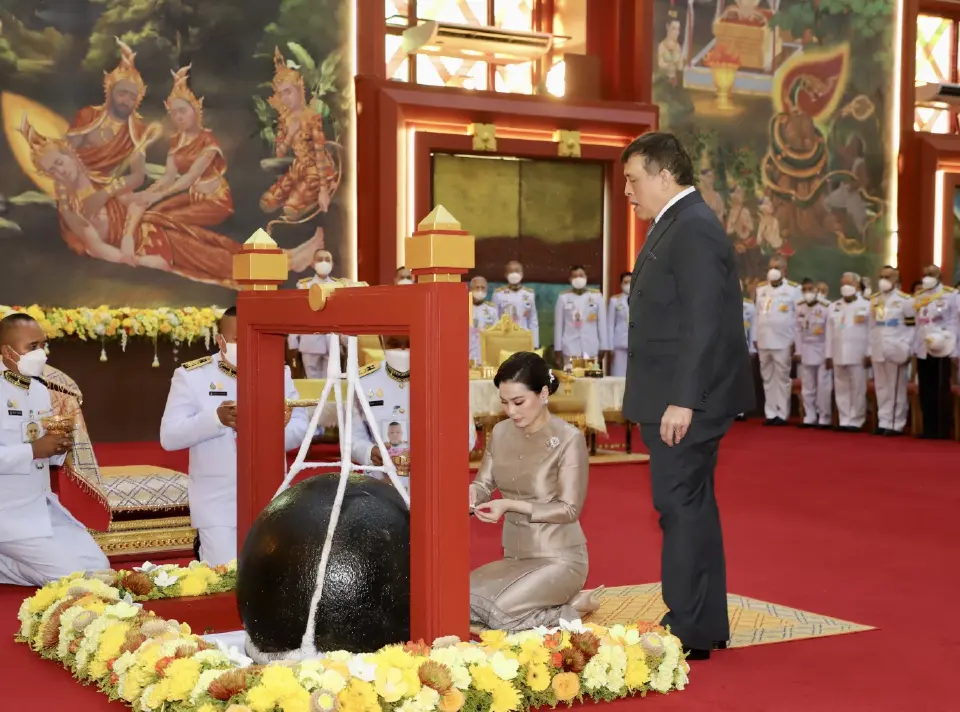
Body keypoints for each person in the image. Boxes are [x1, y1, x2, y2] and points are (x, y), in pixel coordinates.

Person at [620, 132, 753, 660]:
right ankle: (705, 622)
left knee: (678, 507)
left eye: (633, 179)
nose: (628, 191)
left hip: (684, 401)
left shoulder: (692, 227)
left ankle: (687, 626)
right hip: (676, 395)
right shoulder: (675, 223)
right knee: (691, 507)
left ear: (663, 175)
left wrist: (684, 399)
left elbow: (702, 322)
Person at [160, 307, 309, 564]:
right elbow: (169, 436)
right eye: (238, 340)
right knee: (225, 578)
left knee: (270, 575)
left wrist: (264, 433)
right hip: (217, 502)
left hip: (269, 496)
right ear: (220, 341)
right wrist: (215, 420)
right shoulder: (192, 376)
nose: (247, 345)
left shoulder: (277, 372)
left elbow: (300, 428)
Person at [468, 352, 600, 631]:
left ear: (542, 393)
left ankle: (571, 606)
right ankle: (556, 605)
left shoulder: (568, 439)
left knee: (500, 615)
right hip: (515, 557)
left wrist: (511, 505)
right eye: (504, 403)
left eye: (518, 402)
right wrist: (472, 494)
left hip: (560, 559)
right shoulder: (501, 433)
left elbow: (569, 509)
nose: (511, 411)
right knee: (461, 600)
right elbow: (483, 484)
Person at [0, 314, 109, 585]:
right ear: (6, 351)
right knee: (71, 579)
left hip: (42, 507)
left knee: (100, 570)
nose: (41, 354)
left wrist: (58, 447)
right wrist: (33, 450)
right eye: (32, 346)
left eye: (43, 345)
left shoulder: (38, 390)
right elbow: (33, 451)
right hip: (8, 512)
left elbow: (46, 456)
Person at [350, 336, 477, 490]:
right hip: (381, 487)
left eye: (410, 343)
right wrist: (370, 452)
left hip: (433, 484)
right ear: (381, 341)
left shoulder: (446, 379)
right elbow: (352, 437)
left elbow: (466, 437)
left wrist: (433, 453)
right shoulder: (364, 382)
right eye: (394, 344)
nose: (403, 351)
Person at [754, 256, 802, 425]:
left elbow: (798, 317)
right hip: (764, 339)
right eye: (771, 267)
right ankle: (770, 413)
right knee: (767, 377)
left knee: (782, 377)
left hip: (783, 340)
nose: (773, 270)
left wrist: (796, 342)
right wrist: (755, 337)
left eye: (777, 267)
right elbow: (757, 314)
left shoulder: (794, 290)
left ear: (784, 270)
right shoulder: (761, 289)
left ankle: (782, 413)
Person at [869, 266, 915, 435]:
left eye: (888, 277)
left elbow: (911, 327)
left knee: (896, 387)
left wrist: (906, 347)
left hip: (897, 348)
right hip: (878, 347)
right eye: (881, 276)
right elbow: (872, 326)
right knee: (881, 387)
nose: (883, 280)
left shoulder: (905, 300)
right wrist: (870, 349)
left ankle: (896, 423)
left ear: (896, 280)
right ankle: (884, 421)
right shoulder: (874, 300)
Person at [913, 265, 957, 439]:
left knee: (941, 389)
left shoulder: (950, 295)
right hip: (924, 347)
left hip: (942, 347)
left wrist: (950, 343)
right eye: (925, 274)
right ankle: (928, 428)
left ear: (939, 276)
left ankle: (942, 428)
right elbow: (918, 324)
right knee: (926, 389)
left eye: (931, 274)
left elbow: (954, 322)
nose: (927, 277)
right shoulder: (920, 296)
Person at [289, 246, 345, 378]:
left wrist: (345, 341)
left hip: (332, 340)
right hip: (310, 341)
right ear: (313, 263)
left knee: (332, 380)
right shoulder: (303, 286)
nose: (324, 262)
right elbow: (298, 315)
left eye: (327, 259)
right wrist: (293, 342)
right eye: (320, 259)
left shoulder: (339, 286)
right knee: (311, 380)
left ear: (332, 264)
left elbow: (343, 316)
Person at [825, 272, 871, 431]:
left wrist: (869, 352)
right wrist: (828, 355)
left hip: (858, 352)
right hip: (838, 352)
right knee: (841, 387)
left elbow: (872, 331)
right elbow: (829, 333)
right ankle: (845, 419)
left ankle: (857, 420)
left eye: (849, 284)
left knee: (857, 388)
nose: (845, 287)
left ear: (857, 286)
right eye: (843, 284)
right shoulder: (834, 306)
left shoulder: (867, 305)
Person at [795, 278, 833, 427]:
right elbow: (797, 330)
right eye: (804, 290)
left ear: (816, 290)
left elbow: (830, 333)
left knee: (823, 386)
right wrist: (798, 350)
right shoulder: (799, 307)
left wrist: (829, 354)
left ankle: (824, 417)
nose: (807, 292)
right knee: (808, 385)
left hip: (822, 348)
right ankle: (809, 416)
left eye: (810, 289)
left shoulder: (826, 306)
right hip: (806, 349)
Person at [554, 266, 608, 367]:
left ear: (586, 277)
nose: (578, 278)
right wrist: (558, 349)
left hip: (591, 347)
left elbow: (602, 323)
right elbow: (559, 325)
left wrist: (604, 346)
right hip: (570, 348)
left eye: (581, 275)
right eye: (575, 276)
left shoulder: (596, 297)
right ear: (570, 279)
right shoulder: (563, 298)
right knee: (571, 380)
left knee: (591, 380)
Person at [493, 261, 539, 348]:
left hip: (524, 339)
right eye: (511, 271)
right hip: (505, 340)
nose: (514, 274)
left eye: (517, 271)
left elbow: (533, 320)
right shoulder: (498, 294)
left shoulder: (529, 294)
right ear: (505, 274)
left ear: (522, 274)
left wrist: (535, 343)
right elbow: (495, 320)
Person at [469, 276, 499, 364]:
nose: (479, 290)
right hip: (466, 356)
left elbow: (495, 335)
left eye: (482, 288)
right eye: (477, 287)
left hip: (485, 357)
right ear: (470, 289)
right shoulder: (462, 308)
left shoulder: (492, 310)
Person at [607, 272, 631, 377]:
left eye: (631, 282)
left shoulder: (642, 300)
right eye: (626, 282)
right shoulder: (615, 301)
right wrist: (610, 347)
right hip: (619, 344)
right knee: (619, 375)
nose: (629, 284)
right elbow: (610, 325)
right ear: (621, 285)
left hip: (636, 344)